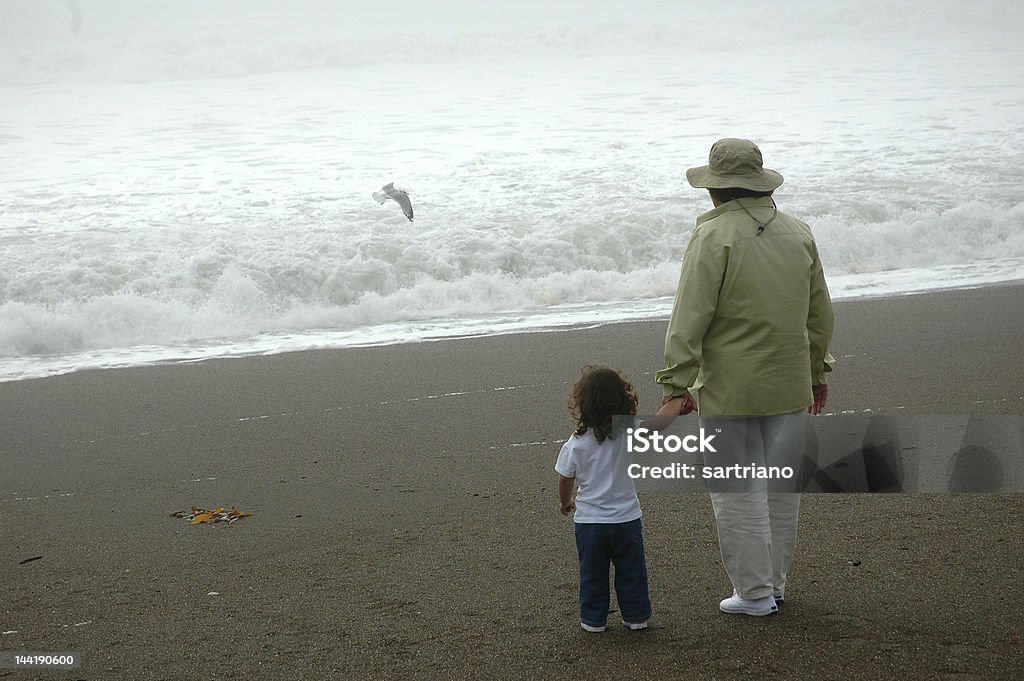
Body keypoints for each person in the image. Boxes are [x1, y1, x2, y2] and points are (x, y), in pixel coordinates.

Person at [655, 138, 835, 616]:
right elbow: (819, 316)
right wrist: (818, 373)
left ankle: (753, 595)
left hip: (730, 387)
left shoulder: (712, 238)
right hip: (789, 381)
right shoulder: (798, 232)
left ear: (716, 190)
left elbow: (690, 317)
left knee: (737, 492)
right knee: (780, 490)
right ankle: (773, 585)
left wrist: (676, 384)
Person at [556, 365, 684, 632]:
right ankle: (636, 617)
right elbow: (657, 424)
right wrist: (677, 400)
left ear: (583, 403)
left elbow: (565, 477)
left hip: (590, 522)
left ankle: (593, 620)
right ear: (624, 399)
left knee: (592, 574)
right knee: (631, 571)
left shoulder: (576, 442)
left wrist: (565, 502)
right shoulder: (626, 432)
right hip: (626, 519)